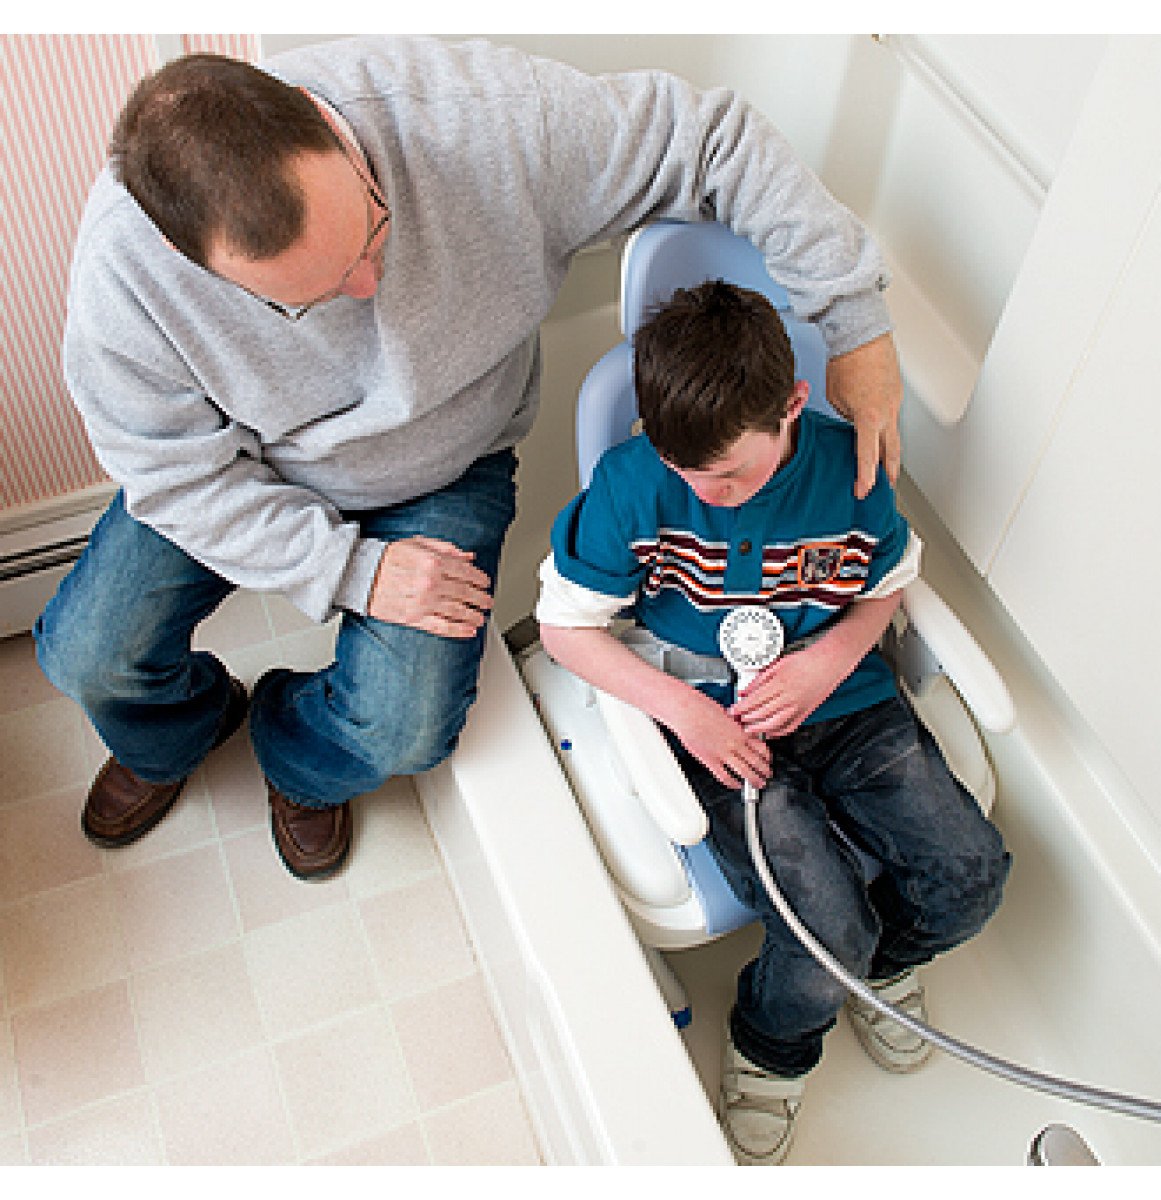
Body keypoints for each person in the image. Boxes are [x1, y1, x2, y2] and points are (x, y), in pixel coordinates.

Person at [35, 35, 905, 882]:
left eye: (372, 231)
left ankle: (296, 759)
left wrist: (856, 326)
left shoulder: (483, 120)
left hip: (446, 461)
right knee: (87, 657)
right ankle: (177, 732)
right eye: (314, 297)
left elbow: (715, 138)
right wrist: (352, 571)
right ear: (189, 260)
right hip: (248, 470)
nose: (369, 288)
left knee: (405, 729)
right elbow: (175, 477)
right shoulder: (127, 274)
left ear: (325, 122)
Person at [535, 281, 1010, 1165]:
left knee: (971, 877)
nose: (709, 495)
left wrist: (830, 659)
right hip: (717, 724)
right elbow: (565, 629)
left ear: (792, 405)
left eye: (731, 475)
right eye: (687, 472)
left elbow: (887, 585)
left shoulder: (850, 469)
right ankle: (771, 1046)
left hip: (844, 698)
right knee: (826, 924)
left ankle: (872, 972)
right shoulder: (635, 484)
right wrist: (685, 711)